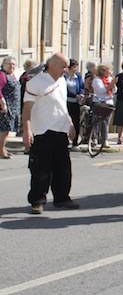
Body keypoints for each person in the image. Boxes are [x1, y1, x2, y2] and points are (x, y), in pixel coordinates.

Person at [23, 53, 79, 214]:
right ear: (52, 65)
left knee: (63, 168)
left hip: (60, 129)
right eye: (63, 66)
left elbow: (62, 105)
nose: (66, 69)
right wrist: (27, 130)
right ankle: (37, 201)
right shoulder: (36, 83)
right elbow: (26, 109)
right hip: (42, 131)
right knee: (41, 169)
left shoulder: (61, 81)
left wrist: (70, 124)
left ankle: (62, 198)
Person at [0, 56, 20, 158]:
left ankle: (3, 149)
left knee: (6, 130)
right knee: (4, 130)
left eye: (13, 64)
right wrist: (2, 102)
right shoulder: (2, 75)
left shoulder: (11, 75)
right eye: (9, 64)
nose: (11, 66)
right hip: (5, 108)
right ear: (3, 65)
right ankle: (1, 152)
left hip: (12, 107)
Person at [91, 64, 114, 149]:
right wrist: (110, 86)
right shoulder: (97, 80)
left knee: (105, 123)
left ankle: (104, 140)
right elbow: (101, 91)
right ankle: (94, 139)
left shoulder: (110, 79)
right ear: (103, 71)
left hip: (108, 102)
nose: (110, 72)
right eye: (108, 70)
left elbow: (114, 90)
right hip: (99, 102)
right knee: (96, 121)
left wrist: (113, 85)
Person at [64, 59, 84, 150]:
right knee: (65, 122)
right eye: (74, 67)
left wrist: (81, 94)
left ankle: (75, 143)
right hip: (66, 102)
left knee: (76, 122)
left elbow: (81, 87)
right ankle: (65, 141)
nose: (76, 69)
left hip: (76, 103)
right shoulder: (64, 77)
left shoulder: (78, 76)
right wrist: (75, 95)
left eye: (76, 67)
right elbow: (64, 89)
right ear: (69, 68)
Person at [18, 59, 37, 140]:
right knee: (29, 123)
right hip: (28, 102)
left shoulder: (23, 76)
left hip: (25, 101)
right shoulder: (27, 77)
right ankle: (28, 144)